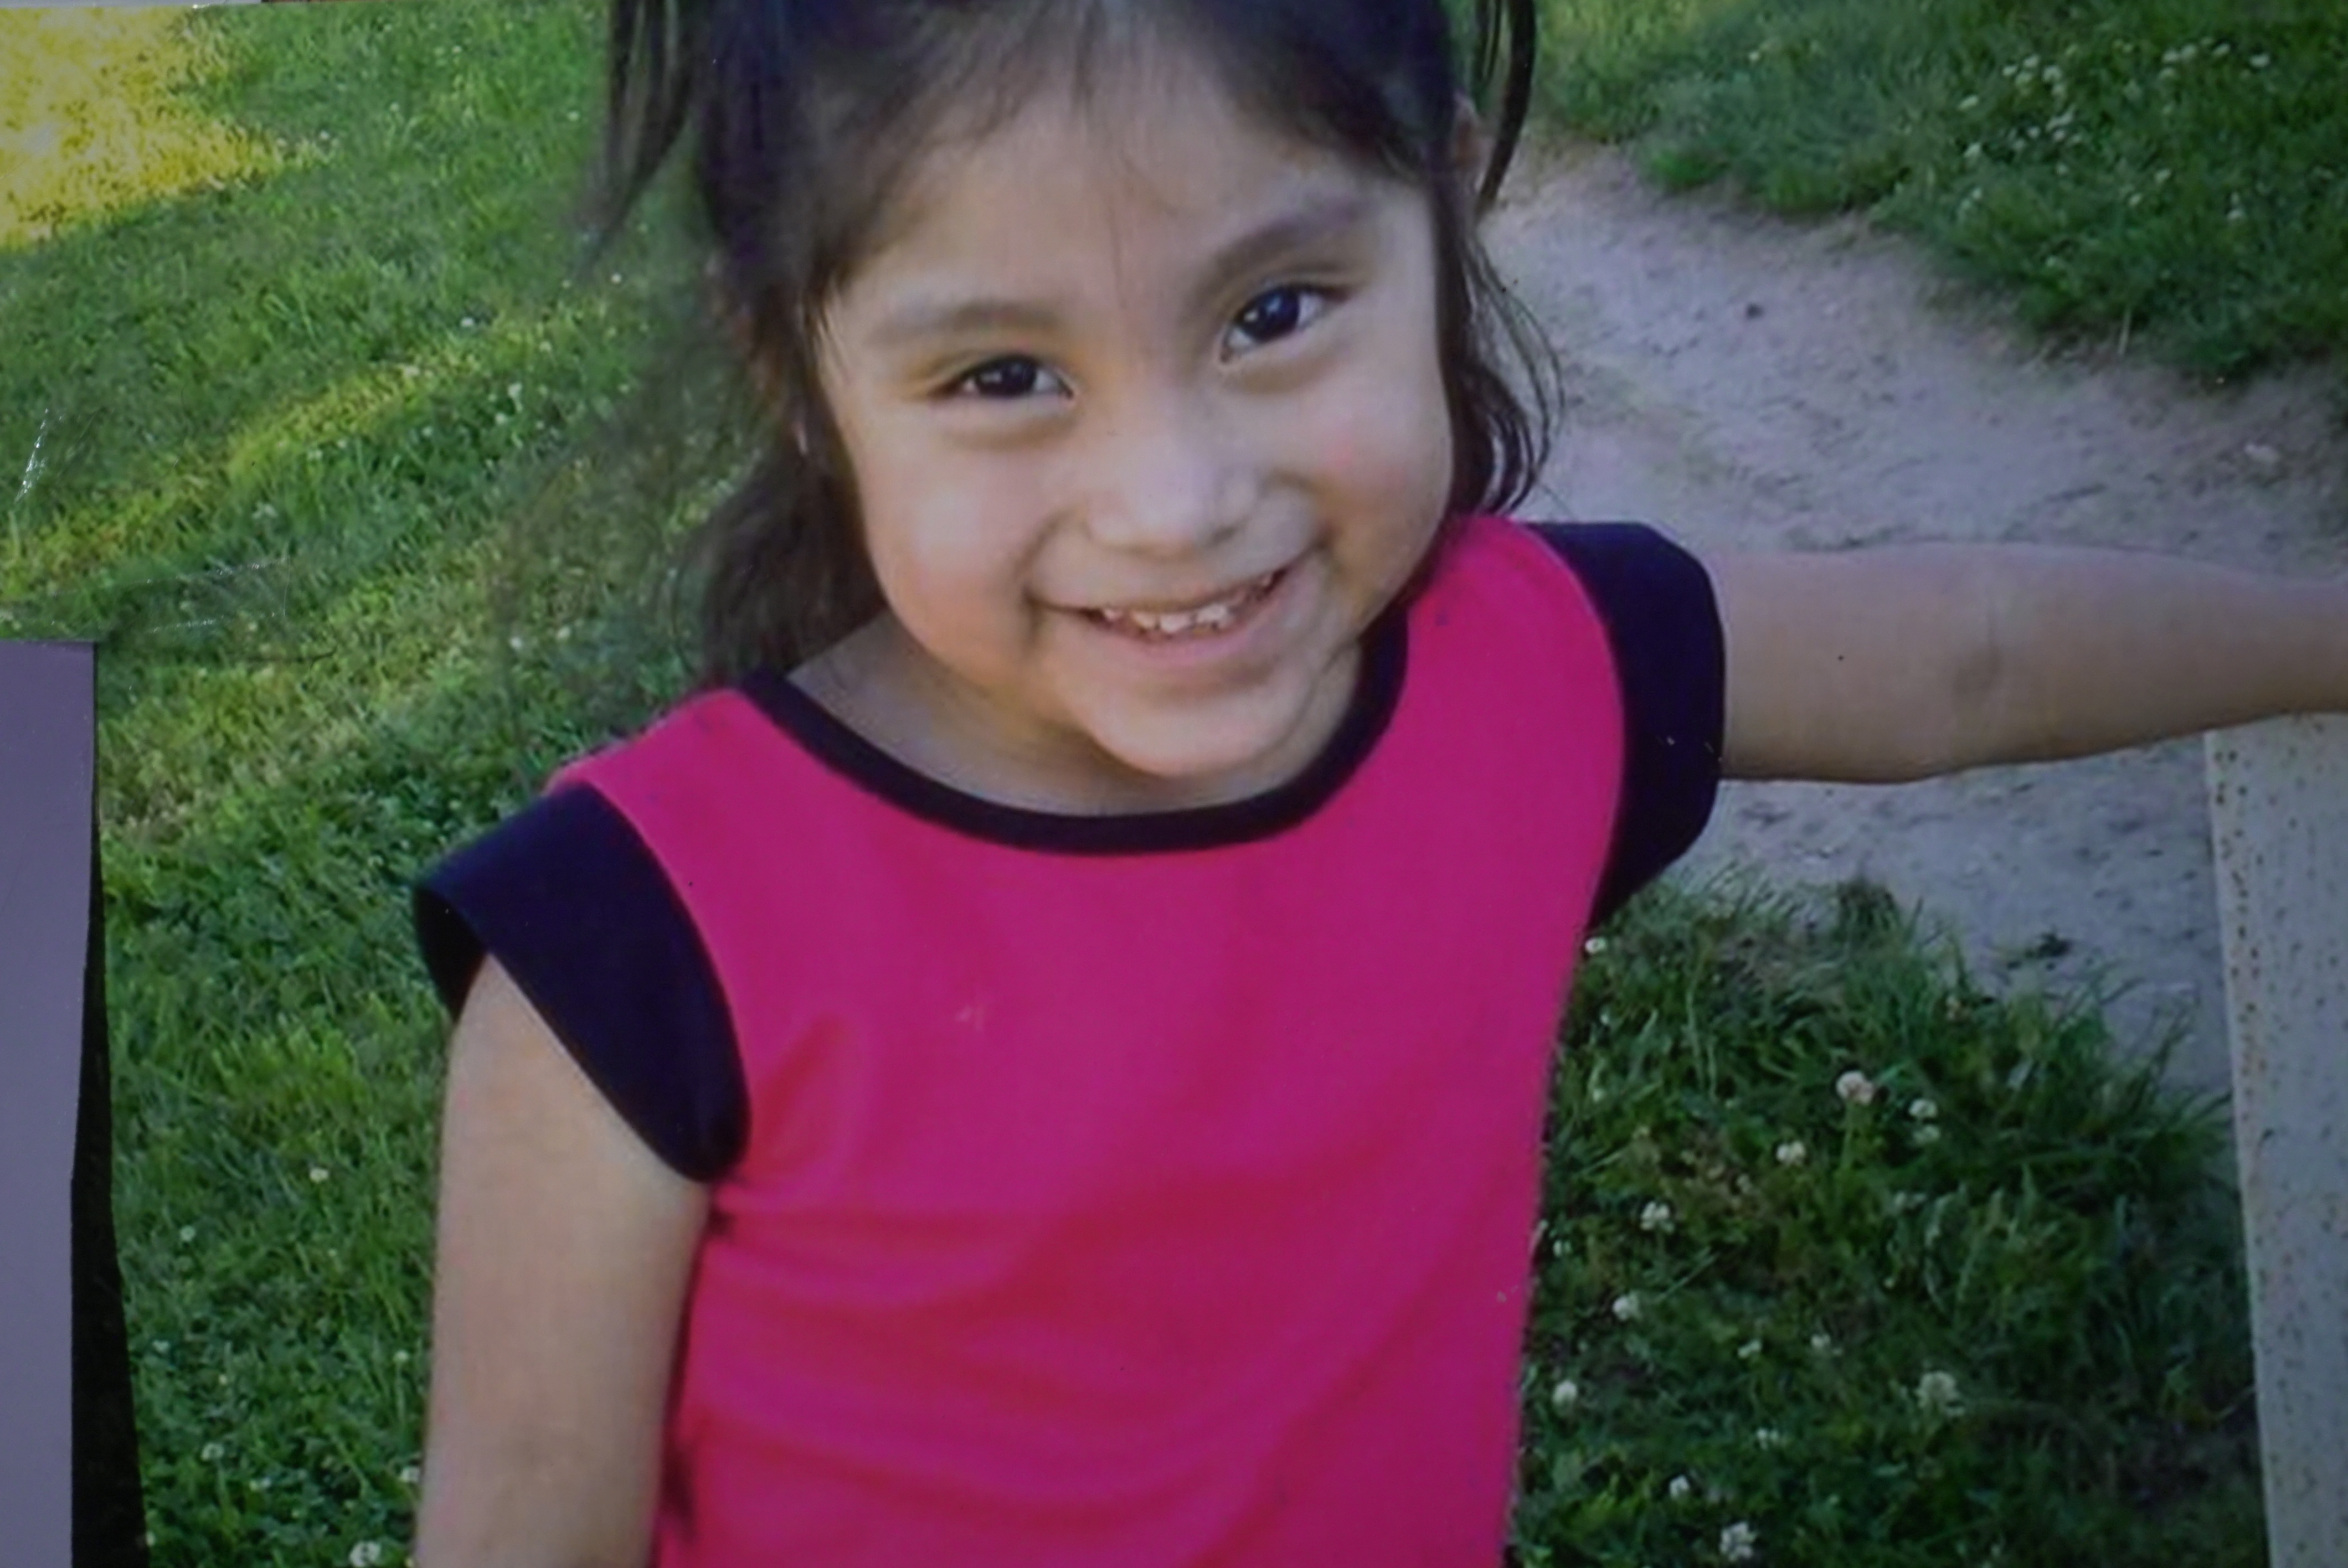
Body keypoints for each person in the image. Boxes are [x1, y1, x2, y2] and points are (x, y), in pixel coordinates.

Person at [406, 1, 2348, 1563]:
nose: (1176, 505)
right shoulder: (634, 954)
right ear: (796, 374)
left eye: (1272, 313)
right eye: (1004, 374)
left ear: (1439, 222)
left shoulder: (1533, 676)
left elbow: (1972, 652)